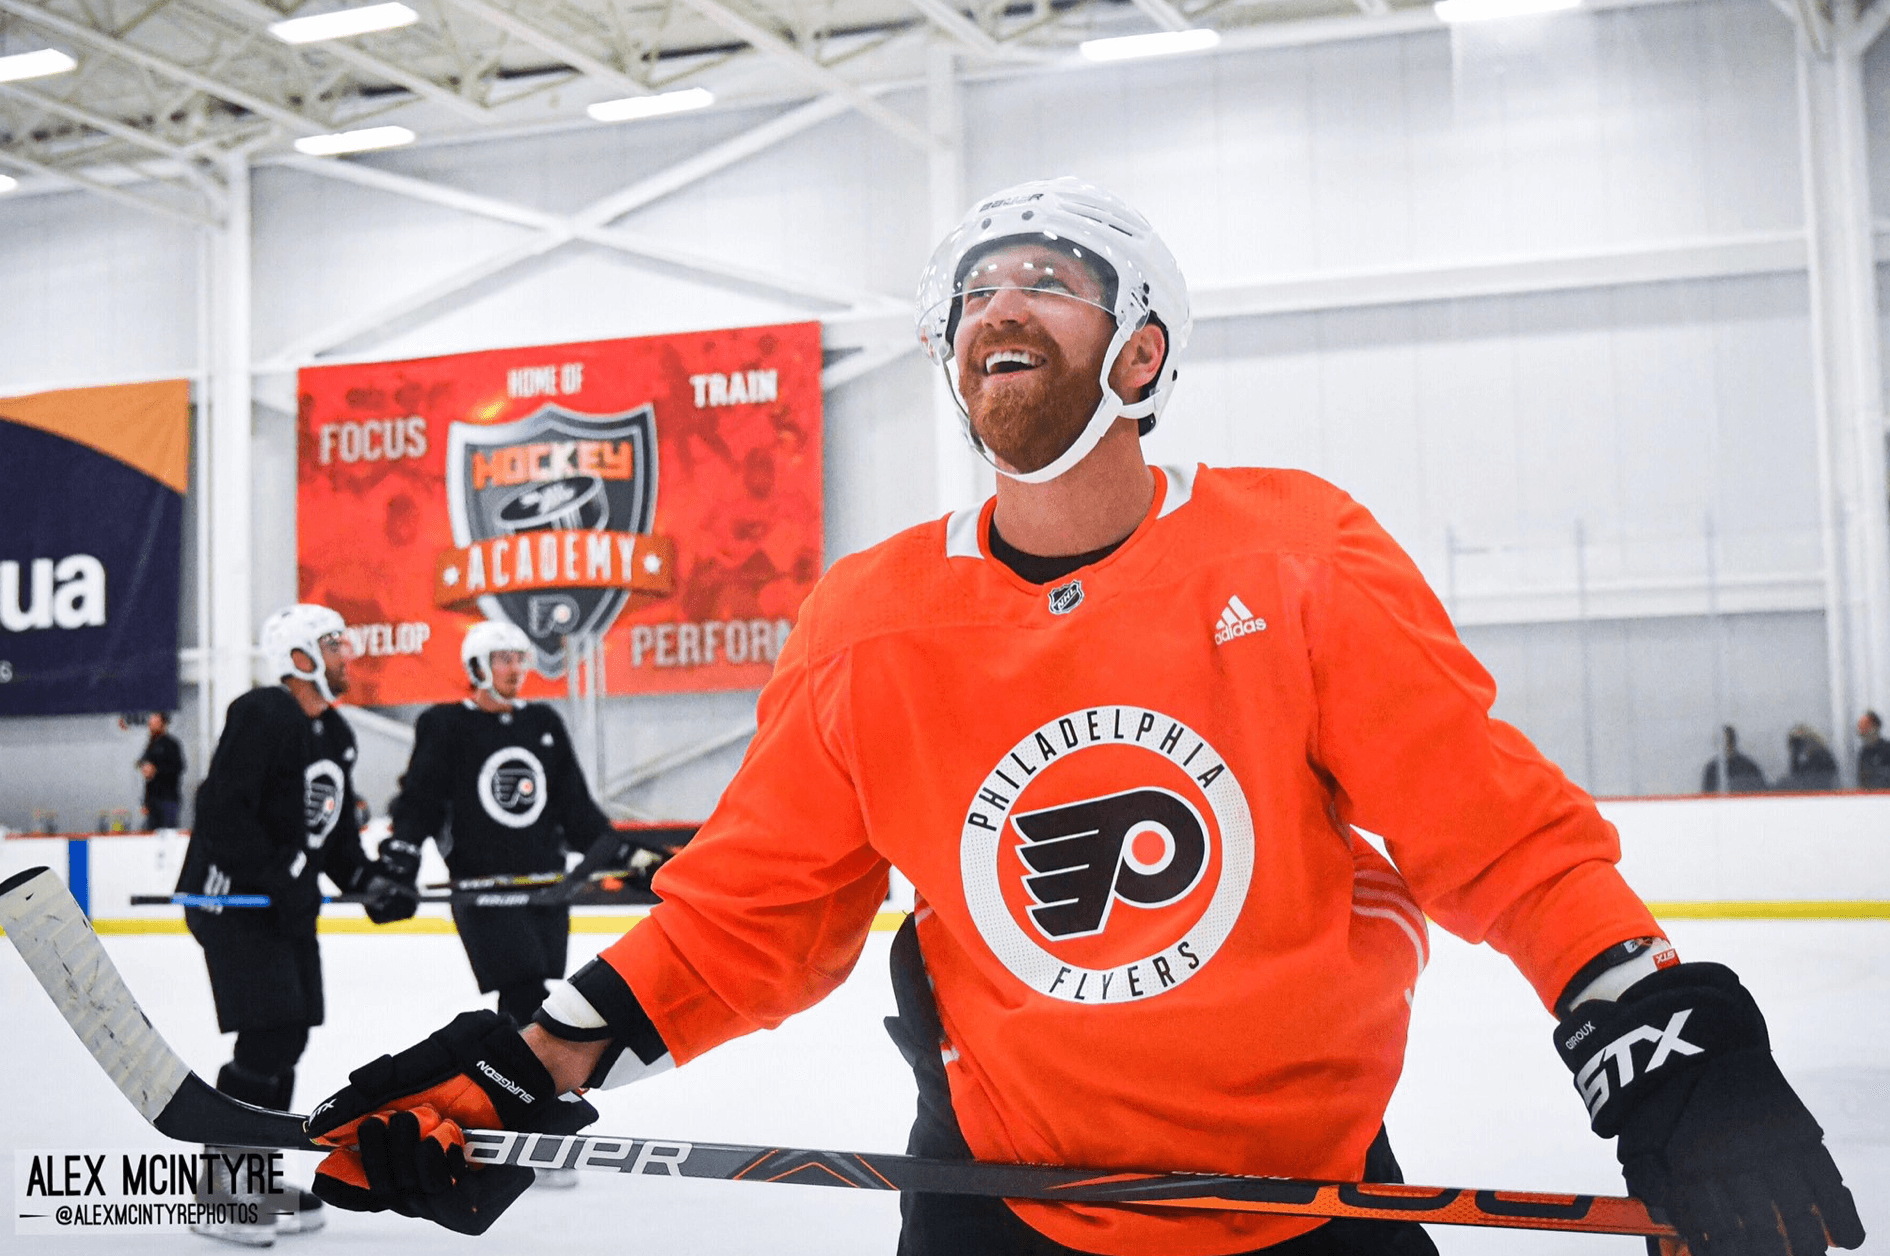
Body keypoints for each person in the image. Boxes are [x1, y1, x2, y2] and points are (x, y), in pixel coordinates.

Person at [303, 180, 1863, 1256]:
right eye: (974, 289)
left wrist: (1658, 1042)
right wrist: (529, 1062)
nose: (1000, 302)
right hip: (1001, 1197)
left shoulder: (1292, 552)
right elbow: (744, 926)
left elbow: (1497, 838)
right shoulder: (868, 618)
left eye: (1047, 277)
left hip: (1310, 1199)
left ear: (1139, 349)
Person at [175, 603, 420, 1245]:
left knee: (291, 1034)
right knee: (268, 1034)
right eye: (333, 643)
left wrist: (371, 885)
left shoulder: (333, 734)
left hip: (281, 901)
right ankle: (223, 1191)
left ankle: (251, 1175)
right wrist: (286, 875)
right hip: (232, 900)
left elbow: (333, 843)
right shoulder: (263, 713)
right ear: (300, 656)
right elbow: (223, 813)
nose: (346, 654)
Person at [383, 620, 616, 1025]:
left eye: (520, 659)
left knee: (525, 996)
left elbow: (573, 804)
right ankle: (530, 1082)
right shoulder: (446, 725)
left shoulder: (542, 722)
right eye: (503, 659)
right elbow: (422, 800)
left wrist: (612, 849)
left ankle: (512, 1081)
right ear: (477, 667)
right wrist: (403, 851)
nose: (515, 669)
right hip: (483, 887)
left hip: (544, 885)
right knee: (526, 993)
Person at [136, 710, 185, 830]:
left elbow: (178, 768)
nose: (151, 725)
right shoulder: (150, 745)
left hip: (168, 799)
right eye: (150, 723)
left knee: (168, 834)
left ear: (163, 724)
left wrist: (156, 771)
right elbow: (148, 778)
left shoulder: (172, 744)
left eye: (154, 722)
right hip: (153, 801)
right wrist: (146, 802)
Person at [1700, 724, 1767, 794]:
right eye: (1722, 742)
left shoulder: (1748, 767)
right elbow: (1708, 797)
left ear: (1733, 742)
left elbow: (1760, 794)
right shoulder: (1712, 769)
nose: (1726, 745)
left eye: (1728, 741)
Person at [1779, 724, 1839, 792]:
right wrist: (1795, 754)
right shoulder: (1804, 760)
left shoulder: (1822, 756)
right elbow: (1796, 774)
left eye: (1800, 743)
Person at [1855, 711, 1890, 789]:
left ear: (1876, 727)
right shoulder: (1863, 753)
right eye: (1863, 733)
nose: (1865, 735)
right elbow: (1861, 779)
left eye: (1868, 729)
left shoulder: (1887, 749)